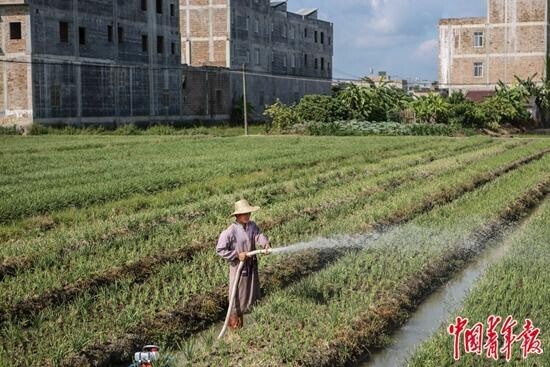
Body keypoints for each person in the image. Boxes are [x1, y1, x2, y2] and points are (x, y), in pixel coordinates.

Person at [216, 199, 270, 329]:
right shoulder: (230, 231)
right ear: (237, 216)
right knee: (237, 298)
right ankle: (235, 329)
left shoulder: (252, 225)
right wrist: (236, 255)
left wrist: (265, 243)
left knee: (251, 294)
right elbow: (220, 249)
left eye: (248, 213)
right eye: (244, 213)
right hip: (239, 269)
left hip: (251, 267)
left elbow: (258, 235)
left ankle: (252, 325)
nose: (247, 216)